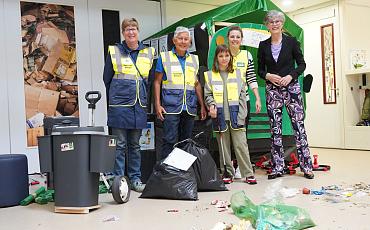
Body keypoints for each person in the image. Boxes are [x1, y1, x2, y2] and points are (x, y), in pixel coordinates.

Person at [257, 10, 314, 179]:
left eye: (277, 21)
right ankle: (278, 167)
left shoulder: (292, 42)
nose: (274, 24)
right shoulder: (263, 45)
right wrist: (267, 75)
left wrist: (291, 76)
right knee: (275, 129)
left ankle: (306, 167)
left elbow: (302, 65)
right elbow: (260, 69)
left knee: (299, 127)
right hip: (272, 91)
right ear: (267, 25)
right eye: (271, 21)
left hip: (292, 90)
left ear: (282, 24)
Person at [103, 18, 155, 192]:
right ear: (123, 33)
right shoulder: (114, 51)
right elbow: (107, 79)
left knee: (135, 145)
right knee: (119, 145)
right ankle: (118, 181)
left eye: (133, 29)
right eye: (127, 29)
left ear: (138, 31)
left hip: (138, 106)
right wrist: (118, 95)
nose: (131, 32)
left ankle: (135, 179)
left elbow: (149, 80)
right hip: (119, 107)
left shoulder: (148, 52)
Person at [204, 44, 257, 184]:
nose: (224, 58)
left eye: (226, 55)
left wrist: (242, 115)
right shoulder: (210, 75)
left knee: (241, 145)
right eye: (221, 56)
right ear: (216, 58)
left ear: (230, 57)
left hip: (236, 116)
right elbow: (208, 95)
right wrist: (212, 106)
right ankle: (227, 172)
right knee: (223, 147)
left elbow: (242, 97)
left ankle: (248, 173)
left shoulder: (238, 74)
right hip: (219, 117)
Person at [154, 26, 207, 160]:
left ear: (190, 42)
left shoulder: (194, 59)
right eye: (180, 38)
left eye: (186, 39)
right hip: (171, 107)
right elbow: (157, 82)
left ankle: (183, 175)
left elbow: (196, 84)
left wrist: (202, 105)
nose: (183, 42)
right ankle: (166, 173)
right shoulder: (164, 57)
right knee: (169, 140)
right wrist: (157, 104)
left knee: (186, 142)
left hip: (189, 107)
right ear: (174, 40)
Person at [227, 25, 262, 178]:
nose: (235, 39)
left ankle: (241, 167)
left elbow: (251, 78)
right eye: (232, 36)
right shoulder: (223, 53)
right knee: (228, 135)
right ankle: (230, 167)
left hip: (243, 101)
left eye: (238, 36)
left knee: (242, 135)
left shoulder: (247, 55)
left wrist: (257, 98)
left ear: (242, 39)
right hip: (226, 101)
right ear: (228, 38)